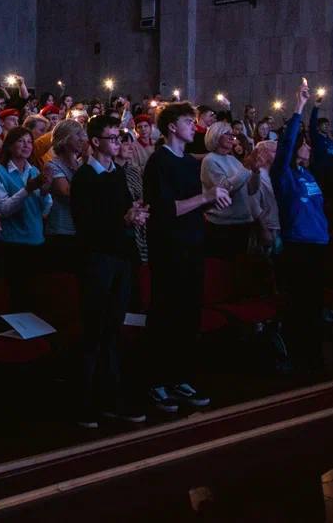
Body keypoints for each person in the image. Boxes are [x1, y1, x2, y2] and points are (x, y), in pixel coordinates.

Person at [142, 102, 230, 413]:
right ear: (170, 127)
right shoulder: (158, 163)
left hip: (193, 245)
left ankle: (180, 377)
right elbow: (167, 210)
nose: (194, 127)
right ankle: (157, 382)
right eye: (187, 121)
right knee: (167, 314)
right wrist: (205, 197)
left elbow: (191, 205)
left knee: (188, 315)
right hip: (169, 248)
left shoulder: (191, 164)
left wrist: (211, 201)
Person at [70, 114, 149, 428]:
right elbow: (88, 226)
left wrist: (135, 218)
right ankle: (85, 403)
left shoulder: (118, 174)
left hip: (120, 259)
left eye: (119, 137)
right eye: (112, 138)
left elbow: (121, 215)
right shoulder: (85, 178)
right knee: (94, 332)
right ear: (95, 142)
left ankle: (111, 397)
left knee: (114, 331)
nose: (118, 143)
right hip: (96, 261)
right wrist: (125, 220)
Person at [269, 82, 331, 369]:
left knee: (316, 306)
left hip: (318, 245)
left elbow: (319, 142)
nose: (308, 147)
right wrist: (299, 108)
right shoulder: (284, 175)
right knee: (299, 305)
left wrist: (316, 110)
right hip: (297, 246)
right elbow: (284, 148)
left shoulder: (310, 174)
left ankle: (313, 355)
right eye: (303, 144)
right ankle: (295, 355)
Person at [0, 127, 52, 293]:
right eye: (21, 141)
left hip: (36, 240)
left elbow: (45, 208)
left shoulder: (34, 171)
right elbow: (2, 209)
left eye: (29, 142)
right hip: (11, 244)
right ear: (9, 146)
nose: (26, 145)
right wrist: (27, 190)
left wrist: (44, 192)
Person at [200, 121, 259, 259]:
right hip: (223, 226)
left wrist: (255, 172)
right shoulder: (210, 160)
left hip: (242, 222)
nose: (231, 137)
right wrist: (246, 168)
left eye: (231, 134)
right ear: (215, 136)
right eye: (226, 134)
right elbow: (224, 189)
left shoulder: (233, 160)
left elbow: (251, 190)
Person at [43, 119, 86, 273]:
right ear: (64, 138)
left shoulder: (81, 164)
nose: (83, 138)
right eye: (78, 135)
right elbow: (66, 192)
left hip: (79, 228)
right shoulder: (52, 165)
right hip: (61, 230)